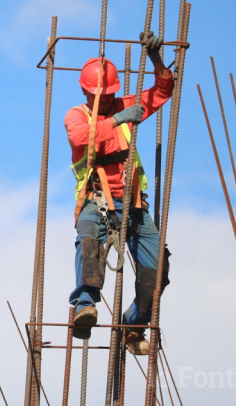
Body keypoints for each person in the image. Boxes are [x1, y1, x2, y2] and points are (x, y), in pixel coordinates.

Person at [64, 32, 173, 355]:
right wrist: (116, 119)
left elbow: (162, 91)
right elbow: (81, 138)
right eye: (103, 95)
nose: (109, 99)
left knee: (157, 276)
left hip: (133, 205)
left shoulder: (124, 106)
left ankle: (133, 324)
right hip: (96, 201)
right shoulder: (77, 116)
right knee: (88, 237)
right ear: (87, 91)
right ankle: (85, 304)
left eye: (112, 94)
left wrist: (156, 61)